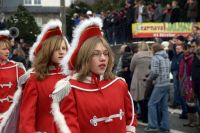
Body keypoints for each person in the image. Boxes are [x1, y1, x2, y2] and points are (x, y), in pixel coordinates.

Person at [51, 17, 137, 133]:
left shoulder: (119, 84)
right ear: (84, 58)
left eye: (105, 53)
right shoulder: (70, 89)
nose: (102, 58)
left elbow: (130, 118)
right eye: (96, 54)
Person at [19, 19, 69, 133]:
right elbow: (27, 117)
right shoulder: (35, 79)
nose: (62, 52)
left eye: (64, 48)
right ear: (47, 51)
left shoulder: (72, 77)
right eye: (57, 49)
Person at [0, 30, 26, 132]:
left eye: (8, 49)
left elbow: (26, 91)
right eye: (4, 49)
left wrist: (17, 97)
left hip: (11, 117)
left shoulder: (17, 68)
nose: (8, 52)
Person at [144, 43, 170, 132]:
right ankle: (165, 126)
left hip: (159, 84)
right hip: (167, 83)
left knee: (151, 104)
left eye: (151, 49)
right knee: (164, 106)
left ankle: (153, 125)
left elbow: (155, 72)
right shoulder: (166, 57)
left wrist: (148, 78)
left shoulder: (155, 58)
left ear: (154, 49)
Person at [130, 42, 152, 123]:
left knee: (135, 99)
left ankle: (133, 117)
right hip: (149, 78)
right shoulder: (152, 55)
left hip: (137, 79)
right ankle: (145, 117)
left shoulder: (137, 55)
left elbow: (131, 68)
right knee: (146, 99)